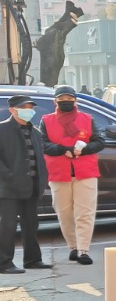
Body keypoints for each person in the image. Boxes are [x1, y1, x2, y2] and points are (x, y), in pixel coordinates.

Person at [41, 85, 103, 265]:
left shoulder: (87, 119)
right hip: (59, 173)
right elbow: (43, 144)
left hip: (86, 172)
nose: (66, 102)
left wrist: (83, 150)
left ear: (75, 100)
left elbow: (99, 142)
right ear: (55, 101)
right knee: (64, 213)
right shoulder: (46, 120)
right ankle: (73, 247)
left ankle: (83, 250)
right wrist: (62, 149)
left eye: (69, 99)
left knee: (85, 212)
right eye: (62, 99)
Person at [0, 94, 47, 273]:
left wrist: (42, 180)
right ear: (12, 110)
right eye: (24, 108)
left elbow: (39, 158)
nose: (29, 111)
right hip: (9, 188)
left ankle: (33, 260)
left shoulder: (35, 132)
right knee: (7, 226)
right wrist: (9, 176)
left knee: (31, 224)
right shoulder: (2, 129)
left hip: (31, 186)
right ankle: (4, 263)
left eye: (30, 108)